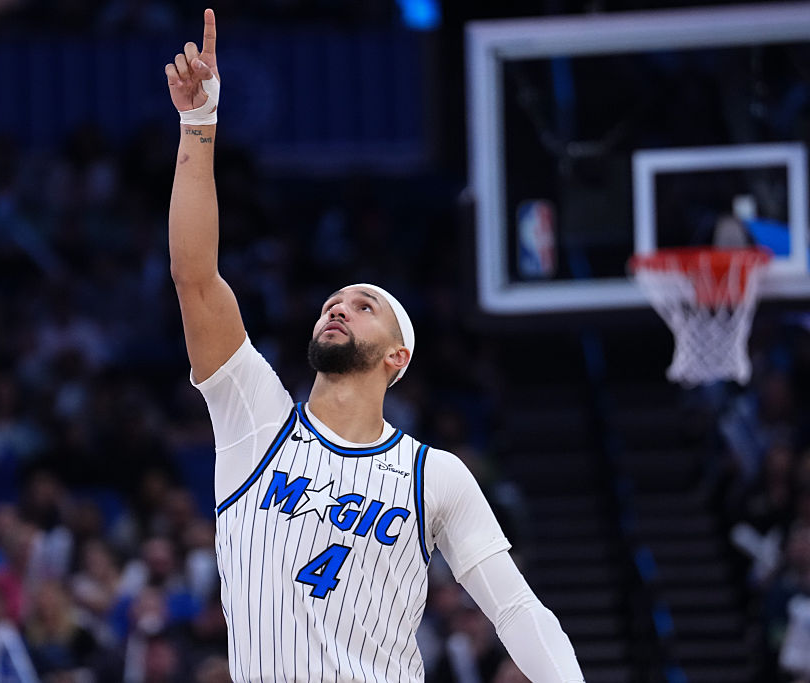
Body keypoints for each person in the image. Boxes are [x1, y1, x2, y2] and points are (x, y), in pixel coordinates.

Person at [164, 10, 585, 682]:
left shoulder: (434, 475)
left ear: (398, 356)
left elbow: (516, 610)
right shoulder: (256, 420)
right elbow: (195, 275)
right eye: (334, 301)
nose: (340, 306)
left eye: (366, 306)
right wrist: (199, 122)